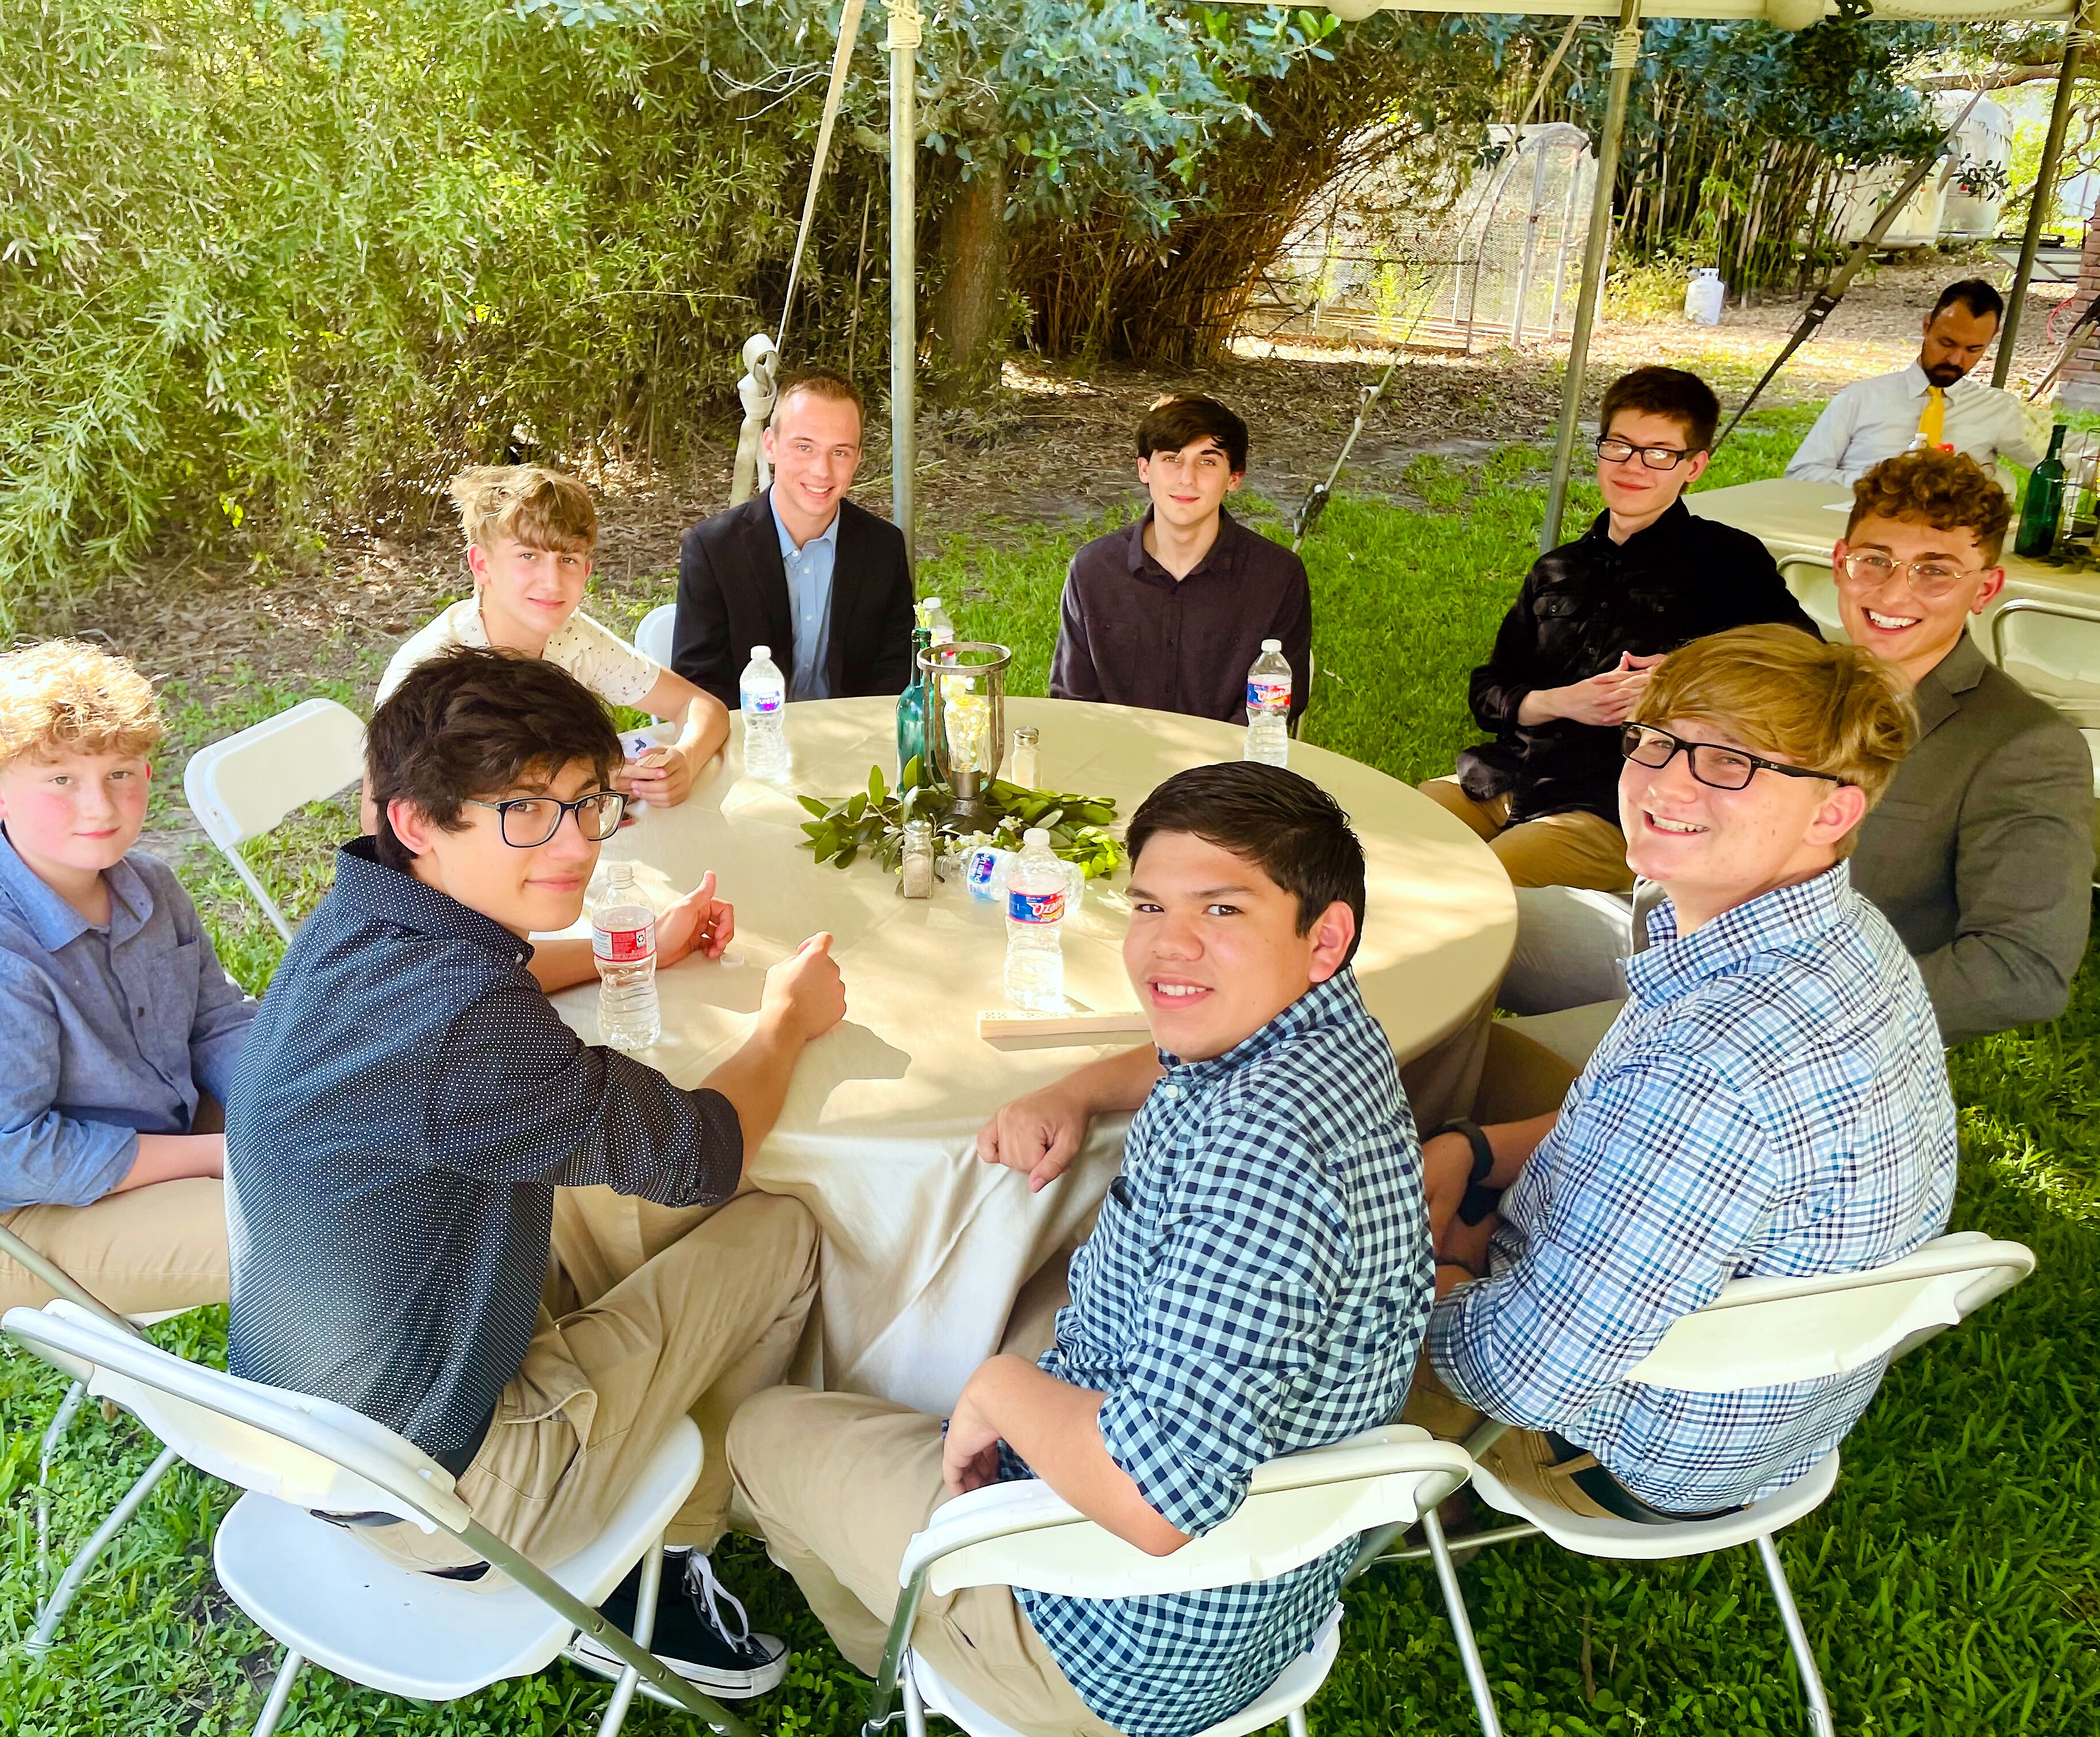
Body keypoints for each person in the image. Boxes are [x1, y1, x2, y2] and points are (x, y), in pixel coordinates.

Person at [728, 763, 1430, 1737]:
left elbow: (1156, 1498)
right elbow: (1182, 1039)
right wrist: (1080, 1089)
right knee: (1016, 1290)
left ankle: (913, 1660)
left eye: (1222, 908)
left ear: (1326, 936)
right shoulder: (1312, 1032)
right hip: (1263, 1589)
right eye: (1148, 905)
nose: (1168, 945)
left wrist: (998, 1390)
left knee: (762, 1430)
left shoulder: (1262, 1162)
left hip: (1109, 1642)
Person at [225, 647, 847, 1698]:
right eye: (524, 811)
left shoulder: (362, 913)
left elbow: (487, 991)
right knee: (777, 1223)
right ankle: (660, 1559)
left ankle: (651, 1496)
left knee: (604, 1213)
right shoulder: (470, 1023)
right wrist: (785, 1021)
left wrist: (627, 950)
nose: (574, 844)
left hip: (320, 1437)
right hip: (459, 1497)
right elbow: (703, 1149)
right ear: (418, 821)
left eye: (588, 803)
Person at [1419, 625, 1956, 1522]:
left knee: (1274, 1280)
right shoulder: (1847, 933)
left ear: (1832, 812)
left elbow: (1521, 1374)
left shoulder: (1711, 1067)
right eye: (1657, 740)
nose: (1665, 783)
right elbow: (1627, 1129)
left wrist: (1440, 1271)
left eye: (1733, 763)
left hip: (1609, 1448)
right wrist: (1470, 1152)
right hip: (1775, 1417)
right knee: (1478, 1084)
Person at [1502, 447, 2093, 1047]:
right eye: (1875, 561)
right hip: (1656, 941)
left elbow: (2022, 970)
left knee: (1493, 1071)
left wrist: (1786, 1016)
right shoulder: (1788, 677)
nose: (1894, 593)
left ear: (1986, 588)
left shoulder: (2022, 745)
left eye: (1935, 571)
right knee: (1466, 922)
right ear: (1839, 563)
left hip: (1789, 1027)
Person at [0, 640, 253, 1327]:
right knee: (332, 1232)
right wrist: (225, 1155)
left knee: (396, 1154)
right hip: (7, 1225)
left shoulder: (149, 885)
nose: (100, 806)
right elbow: (17, 1159)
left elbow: (217, 1024)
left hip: (151, 1131)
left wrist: (290, 1104)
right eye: (60, 780)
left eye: (119, 773)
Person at [1420, 366, 1819, 893]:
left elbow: (1803, 658)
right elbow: (1488, 691)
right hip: (1505, 778)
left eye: (1660, 453)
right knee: (1380, 841)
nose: (1633, 466)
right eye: (1620, 447)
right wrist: (1563, 702)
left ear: (1695, 466)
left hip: (1614, 806)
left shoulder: (1727, 560)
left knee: (1473, 886)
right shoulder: (1559, 568)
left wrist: (1681, 673)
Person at [376, 465, 729, 807]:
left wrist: (686, 758)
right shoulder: (428, 671)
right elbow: (382, 816)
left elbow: (701, 706)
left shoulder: (575, 640)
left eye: (568, 559)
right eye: (528, 555)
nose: (552, 582)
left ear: (587, 570)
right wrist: (580, 786)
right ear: (481, 564)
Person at [1049, 394, 1312, 727]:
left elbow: (1270, 710)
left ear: (1234, 478)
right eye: (1172, 458)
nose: (1187, 478)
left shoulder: (1277, 578)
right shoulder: (1093, 571)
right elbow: (1074, 702)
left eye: (1207, 461)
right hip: (1112, 753)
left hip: (1227, 758)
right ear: (1145, 469)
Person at [671, 367, 915, 709]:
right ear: (770, 445)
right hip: (750, 735)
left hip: (852, 734)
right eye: (804, 447)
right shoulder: (714, 549)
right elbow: (700, 684)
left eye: (840, 452)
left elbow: (896, 674)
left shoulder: (883, 548)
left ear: (859, 457)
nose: (821, 471)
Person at [1786, 279, 2045, 485]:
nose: (1956, 360)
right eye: (1947, 343)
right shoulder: (1861, 398)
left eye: (1974, 349)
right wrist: (1876, 483)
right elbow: (1801, 474)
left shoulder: (1999, 409)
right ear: (1927, 326)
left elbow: (2062, 462)